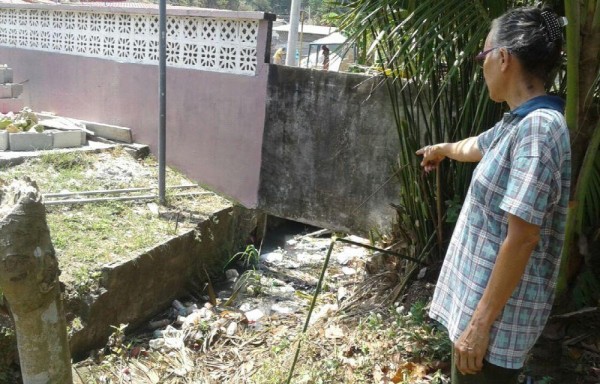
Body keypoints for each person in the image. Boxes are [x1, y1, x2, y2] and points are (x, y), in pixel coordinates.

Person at [415, 6, 570, 384]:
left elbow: (523, 238)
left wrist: (479, 326)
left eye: (482, 56)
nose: (480, 65)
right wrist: (442, 149)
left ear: (503, 58)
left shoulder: (538, 131)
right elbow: (476, 147)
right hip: (480, 316)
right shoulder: (518, 121)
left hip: (494, 330)